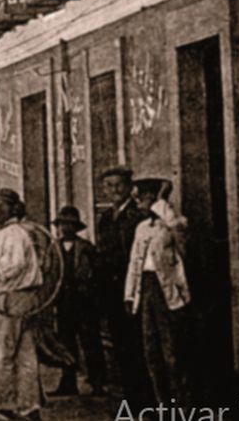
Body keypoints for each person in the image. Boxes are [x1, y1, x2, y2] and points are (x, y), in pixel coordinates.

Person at [0, 189, 43, 421]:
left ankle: (3, 406)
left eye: (0, 206)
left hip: (12, 297)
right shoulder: (12, 232)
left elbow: (14, 264)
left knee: (1, 353)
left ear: (13, 208)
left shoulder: (12, 232)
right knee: (25, 354)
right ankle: (29, 407)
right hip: (25, 297)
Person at [124, 176, 189, 407]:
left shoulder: (172, 224)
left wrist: (162, 203)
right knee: (151, 350)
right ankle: (162, 402)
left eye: (143, 198)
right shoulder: (142, 228)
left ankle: (180, 403)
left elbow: (183, 243)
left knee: (172, 351)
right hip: (146, 289)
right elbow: (134, 263)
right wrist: (130, 295)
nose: (139, 202)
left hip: (168, 292)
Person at [94, 166, 150, 405]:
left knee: (137, 345)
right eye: (109, 186)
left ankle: (145, 402)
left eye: (118, 184)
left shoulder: (138, 217)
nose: (114, 190)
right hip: (111, 291)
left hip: (132, 290)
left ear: (129, 188)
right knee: (121, 346)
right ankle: (132, 398)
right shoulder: (105, 218)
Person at [49, 205, 105, 397]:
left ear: (76, 227)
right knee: (65, 344)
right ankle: (67, 383)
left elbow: (97, 275)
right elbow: (50, 274)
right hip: (63, 302)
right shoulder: (54, 248)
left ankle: (97, 383)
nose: (66, 228)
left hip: (84, 302)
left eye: (70, 224)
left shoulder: (86, 248)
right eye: (63, 224)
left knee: (90, 342)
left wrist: (92, 294)